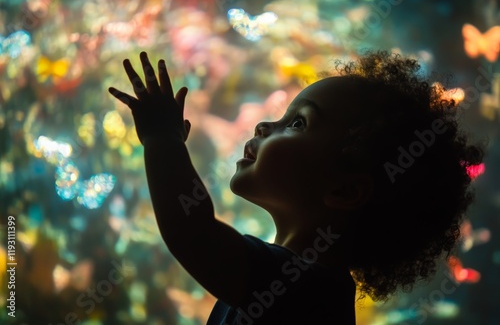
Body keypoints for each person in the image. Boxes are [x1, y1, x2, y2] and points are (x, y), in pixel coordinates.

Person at [108, 50, 486, 324]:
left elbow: (193, 233)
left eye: (298, 124)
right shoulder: (304, 282)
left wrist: (163, 140)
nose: (263, 126)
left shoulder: (308, 290)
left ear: (345, 191)